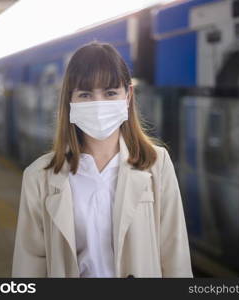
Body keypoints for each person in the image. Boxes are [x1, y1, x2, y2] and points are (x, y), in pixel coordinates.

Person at [12, 41, 193, 278]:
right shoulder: (38, 177)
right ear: (70, 101)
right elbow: (29, 263)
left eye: (110, 93)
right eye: (86, 94)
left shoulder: (157, 164)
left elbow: (175, 255)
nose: (99, 104)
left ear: (127, 96)